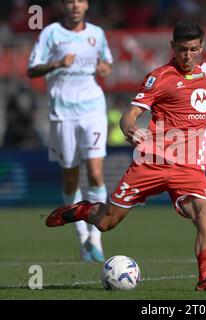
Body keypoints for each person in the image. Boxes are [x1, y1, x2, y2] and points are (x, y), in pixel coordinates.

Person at [45, 19, 206, 291]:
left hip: (189, 168)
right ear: (172, 47)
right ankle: (80, 209)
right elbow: (129, 116)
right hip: (152, 162)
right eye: (181, 49)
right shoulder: (160, 77)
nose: (187, 56)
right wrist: (131, 130)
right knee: (107, 222)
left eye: (192, 49)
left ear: (201, 47)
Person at [28, 0, 113, 262]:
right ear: (64, 5)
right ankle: (82, 237)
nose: (75, 5)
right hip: (62, 113)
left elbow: (107, 63)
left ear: (87, 5)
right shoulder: (51, 33)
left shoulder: (97, 33)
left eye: (80, 1)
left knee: (96, 172)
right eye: (70, 1)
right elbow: (32, 69)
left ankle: (96, 239)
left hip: (93, 109)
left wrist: (104, 69)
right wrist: (56, 64)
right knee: (70, 177)